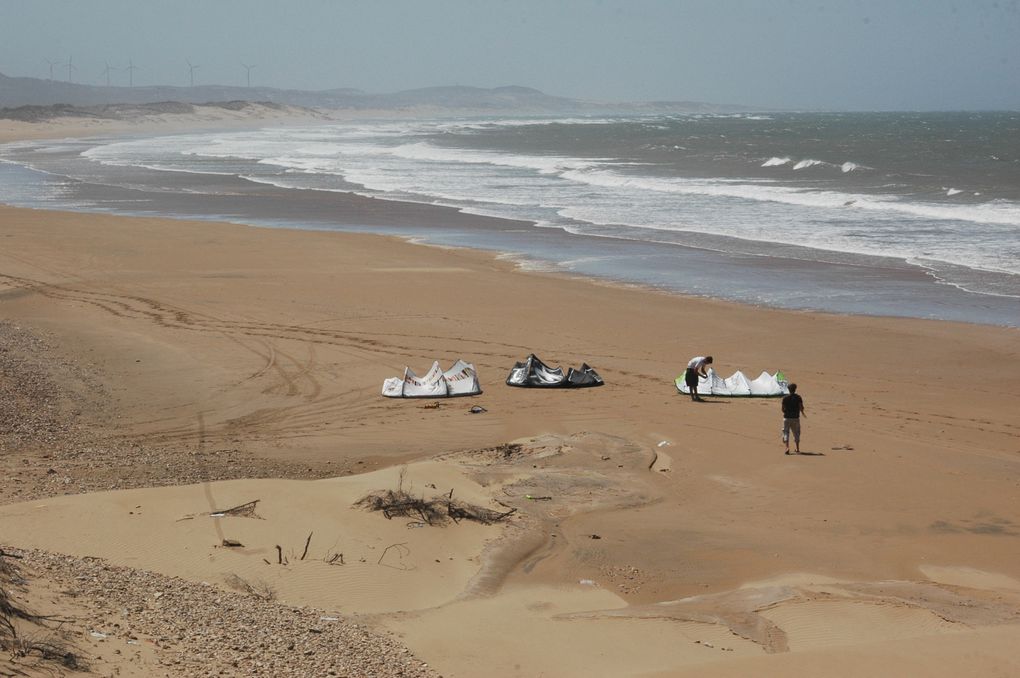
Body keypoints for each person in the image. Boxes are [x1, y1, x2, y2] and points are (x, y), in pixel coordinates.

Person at [781, 383, 806, 454]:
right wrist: (802, 411)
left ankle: (787, 447)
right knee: (796, 432)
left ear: (788, 389)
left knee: (786, 432)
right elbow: (801, 407)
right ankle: (797, 448)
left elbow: (782, 409)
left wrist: (786, 411)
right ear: (795, 389)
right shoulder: (798, 397)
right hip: (795, 417)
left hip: (787, 417)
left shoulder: (785, 398)